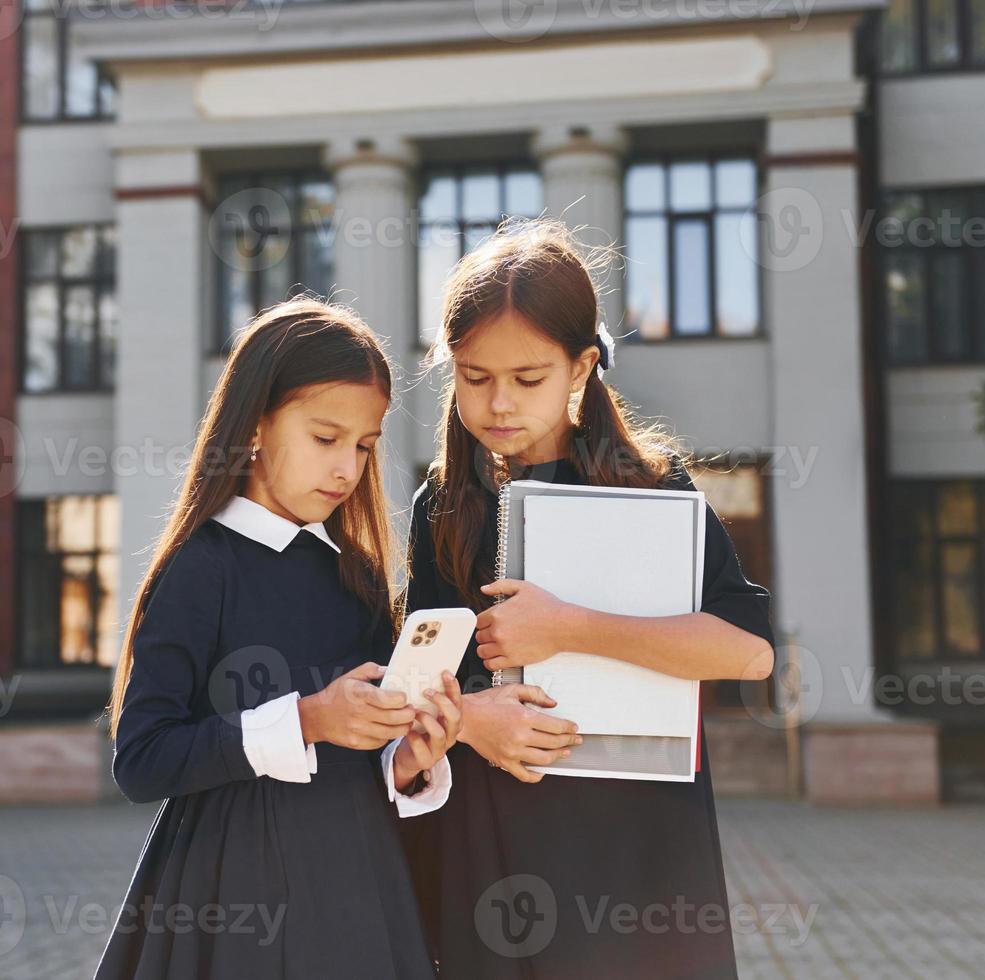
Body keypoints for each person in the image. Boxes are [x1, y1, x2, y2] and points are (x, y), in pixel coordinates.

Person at [403, 219, 776, 978]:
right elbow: (411, 682)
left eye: (528, 378)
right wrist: (474, 724)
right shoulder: (444, 505)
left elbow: (750, 652)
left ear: (581, 366)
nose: (499, 403)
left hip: (637, 846)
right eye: (475, 377)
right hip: (492, 840)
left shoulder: (649, 485)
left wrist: (568, 627)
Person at [96, 297, 463, 980]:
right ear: (257, 422)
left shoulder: (355, 576)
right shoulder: (202, 567)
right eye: (326, 439)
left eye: (363, 446)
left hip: (358, 892)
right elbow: (143, 759)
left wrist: (408, 759)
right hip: (232, 903)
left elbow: (370, 759)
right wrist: (306, 718)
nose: (347, 468)